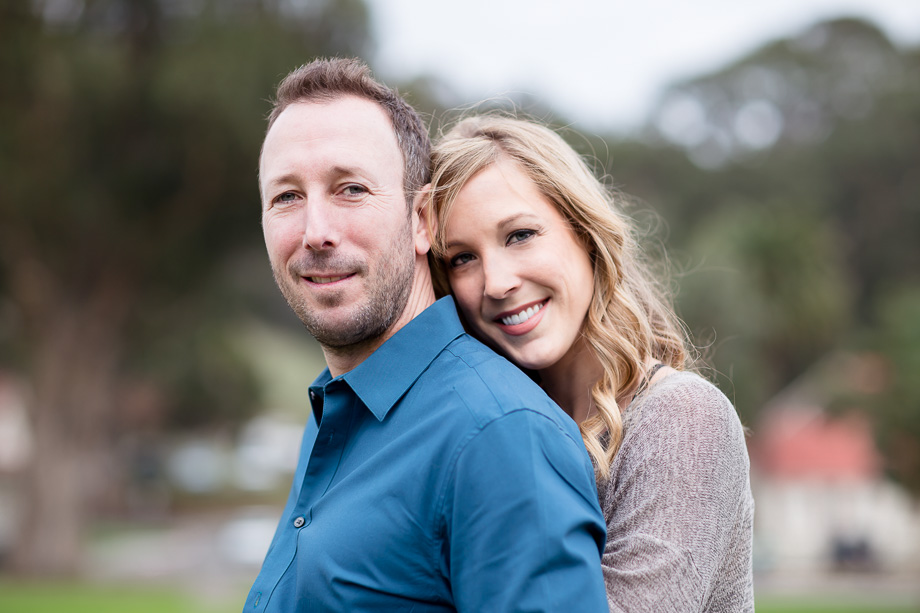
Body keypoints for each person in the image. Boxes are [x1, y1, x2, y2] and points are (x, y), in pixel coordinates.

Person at [245, 59, 609, 612]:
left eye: (351, 189)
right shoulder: (335, 412)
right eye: (286, 197)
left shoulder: (501, 435)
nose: (316, 232)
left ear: (422, 221)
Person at [428, 115, 755, 612]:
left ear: (585, 232)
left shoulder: (682, 416)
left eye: (519, 235)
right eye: (461, 258)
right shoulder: (493, 428)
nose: (496, 282)